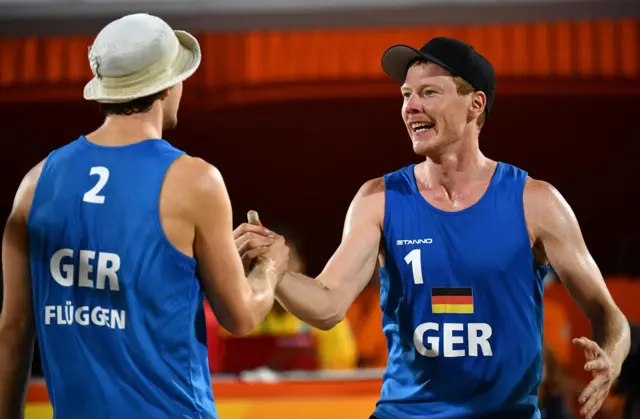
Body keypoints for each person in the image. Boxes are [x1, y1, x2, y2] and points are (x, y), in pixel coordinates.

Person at [233, 37, 631, 419]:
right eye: (406, 95)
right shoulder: (380, 199)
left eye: (428, 93)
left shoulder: (536, 202)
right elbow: (327, 305)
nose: (410, 107)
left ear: (475, 104)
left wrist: (611, 357)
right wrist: (274, 268)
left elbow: (609, 315)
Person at [0, 13, 288, 419]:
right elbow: (240, 316)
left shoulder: (35, 183)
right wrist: (271, 268)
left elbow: (13, 334)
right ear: (168, 86)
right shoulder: (195, 181)